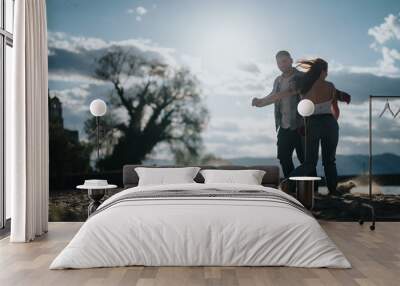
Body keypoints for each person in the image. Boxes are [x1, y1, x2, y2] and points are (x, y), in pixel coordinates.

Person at [252, 50, 304, 180]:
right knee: (283, 157)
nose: (282, 65)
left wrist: (264, 101)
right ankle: (292, 186)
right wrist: (260, 101)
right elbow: (273, 96)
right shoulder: (278, 80)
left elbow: (287, 93)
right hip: (284, 125)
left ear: (291, 61)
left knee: (305, 159)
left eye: (284, 61)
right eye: (279, 63)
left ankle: (312, 190)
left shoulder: (301, 77)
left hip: (301, 125)